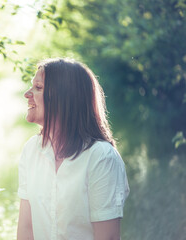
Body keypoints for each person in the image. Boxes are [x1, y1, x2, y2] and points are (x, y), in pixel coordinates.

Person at [17, 58, 130, 240]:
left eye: (38, 88)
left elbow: (107, 237)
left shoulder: (101, 157)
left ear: (63, 97)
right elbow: (26, 229)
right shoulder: (31, 150)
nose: (27, 94)